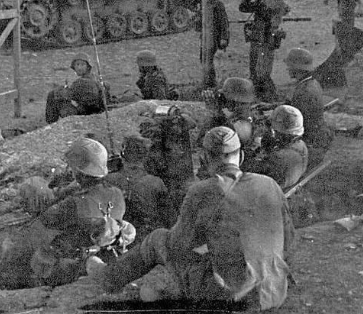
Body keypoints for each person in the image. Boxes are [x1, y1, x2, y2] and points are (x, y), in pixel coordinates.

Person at [87, 126, 295, 311]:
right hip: (273, 293)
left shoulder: (201, 191)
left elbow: (178, 246)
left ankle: (108, 278)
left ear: (205, 158)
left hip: (227, 300)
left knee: (157, 238)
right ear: (240, 157)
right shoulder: (269, 184)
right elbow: (289, 239)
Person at [0, 137, 134, 289]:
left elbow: (46, 217)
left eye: (73, 168)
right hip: (102, 251)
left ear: (80, 172)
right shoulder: (116, 194)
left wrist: (63, 193)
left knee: (27, 245)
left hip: (71, 263)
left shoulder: (74, 203)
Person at [105, 134, 177, 237]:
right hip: (147, 236)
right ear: (145, 156)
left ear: (123, 154)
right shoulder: (156, 183)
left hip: (117, 236)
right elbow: (170, 218)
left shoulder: (109, 180)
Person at [239, 0, 290, 101]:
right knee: (254, 69)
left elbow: (274, 8)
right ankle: (258, 94)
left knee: (263, 71)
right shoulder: (261, 2)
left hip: (268, 41)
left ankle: (269, 96)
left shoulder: (277, 2)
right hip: (257, 39)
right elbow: (243, 7)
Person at [284, 48, 333, 168]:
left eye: (290, 66)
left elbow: (294, 123)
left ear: (297, 68)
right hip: (317, 139)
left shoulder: (305, 91)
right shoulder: (310, 83)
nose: (287, 69)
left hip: (311, 145)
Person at [245, 105, 308, 191]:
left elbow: (253, 171)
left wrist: (249, 151)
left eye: (274, 129)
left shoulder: (278, 157)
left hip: (273, 189)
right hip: (289, 179)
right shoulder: (301, 145)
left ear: (280, 131)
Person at [45, 53, 107, 124]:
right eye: (77, 65)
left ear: (88, 67)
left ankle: (51, 124)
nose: (79, 68)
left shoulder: (82, 81)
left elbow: (68, 94)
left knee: (52, 95)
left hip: (87, 112)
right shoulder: (94, 78)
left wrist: (59, 90)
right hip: (91, 110)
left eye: (82, 65)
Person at [196, 77, 256, 149]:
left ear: (235, 102)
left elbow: (203, 141)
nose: (223, 101)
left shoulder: (244, 126)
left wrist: (214, 113)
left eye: (225, 98)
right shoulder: (241, 117)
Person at [197, 0, 230, 87]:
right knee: (203, 58)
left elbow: (224, 22)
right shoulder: (204, 4)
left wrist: (224, 38)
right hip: (205, 36)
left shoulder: (218, 5)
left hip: (215, 36)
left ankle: (212, 82)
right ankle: (208, 80)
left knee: (210, 59)